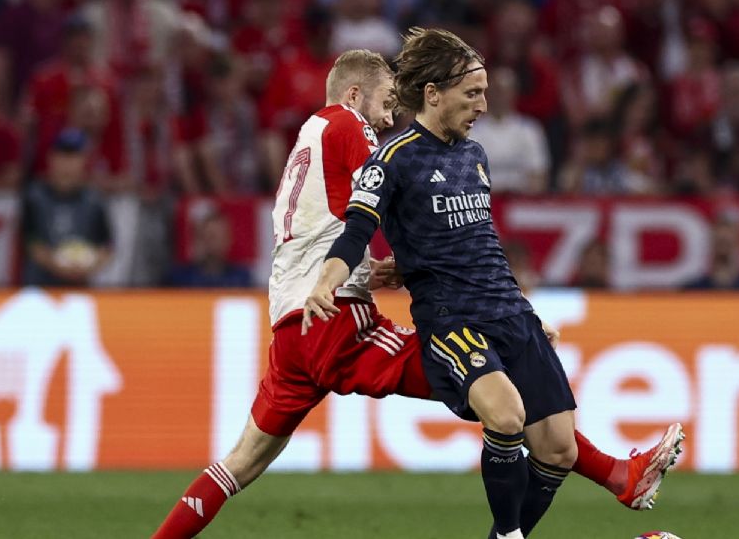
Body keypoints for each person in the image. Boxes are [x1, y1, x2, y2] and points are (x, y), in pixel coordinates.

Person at [152, 48, 681, 539]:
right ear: (356, 96)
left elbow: (335, 224)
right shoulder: (347, 125)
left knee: (237, 464)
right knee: (491, 380)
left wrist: (383, 267)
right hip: (336, 321)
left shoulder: (309, 140)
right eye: (385, 104)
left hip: (294, 326)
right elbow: (395, 192)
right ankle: (615, 476)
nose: (387, 119)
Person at [303, 30, 683, 539]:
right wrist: (326, 282)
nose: (483, 104)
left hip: (509, 312)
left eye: (483, 93)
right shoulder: (392, 160)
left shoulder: (475, 155)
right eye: (473, 93)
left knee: (558, 448)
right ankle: (508, 535)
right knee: (505, 415)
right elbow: (356, 231)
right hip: (453, 320)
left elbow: (480, 240)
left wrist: (524, 309)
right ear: (433, 93)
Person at [21, 128, 113, 287]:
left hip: (80, 287)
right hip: (40, 288)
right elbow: (30, 240)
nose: (67, 163)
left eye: (73, 156)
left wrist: (90, 265)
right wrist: (57, 264)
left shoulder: (94, 200)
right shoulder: (35, 196)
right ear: (51, 158)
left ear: (84, 160)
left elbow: (107, 245)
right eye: (62, 155)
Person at [167, 210, 253, 288]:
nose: (216, 242)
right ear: (199, 239)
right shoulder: (181, 279)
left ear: (229, 240)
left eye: (221, 236)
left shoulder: (241, 278)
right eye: (211, 236)